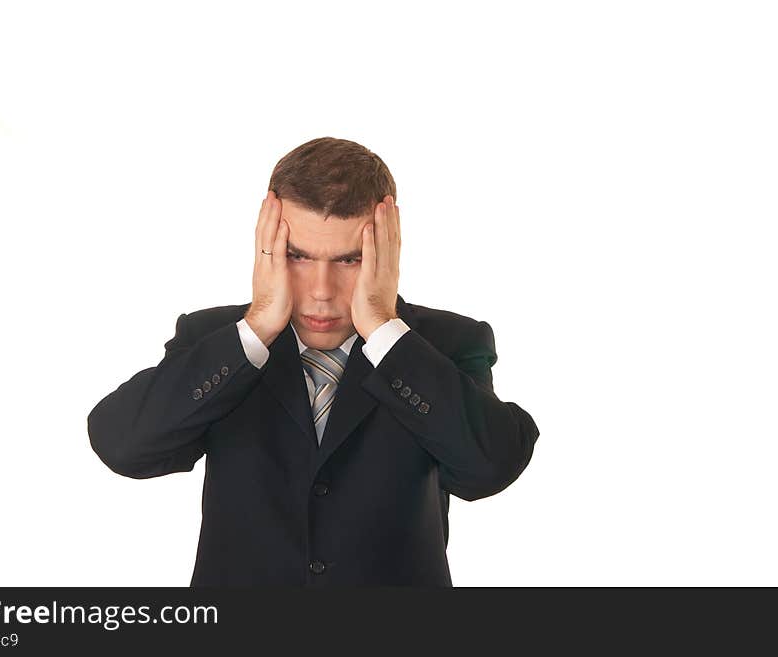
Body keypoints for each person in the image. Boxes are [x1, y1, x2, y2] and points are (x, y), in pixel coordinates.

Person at [87, 136, 540, 587]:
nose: (321, 291)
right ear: (267, 244)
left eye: (350, 259)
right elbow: (123, 447)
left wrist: (383, 329)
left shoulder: (446, 343)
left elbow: (488, 468)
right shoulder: (215, 342)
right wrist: (258, 326)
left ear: (389, 250)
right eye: (298, 256)